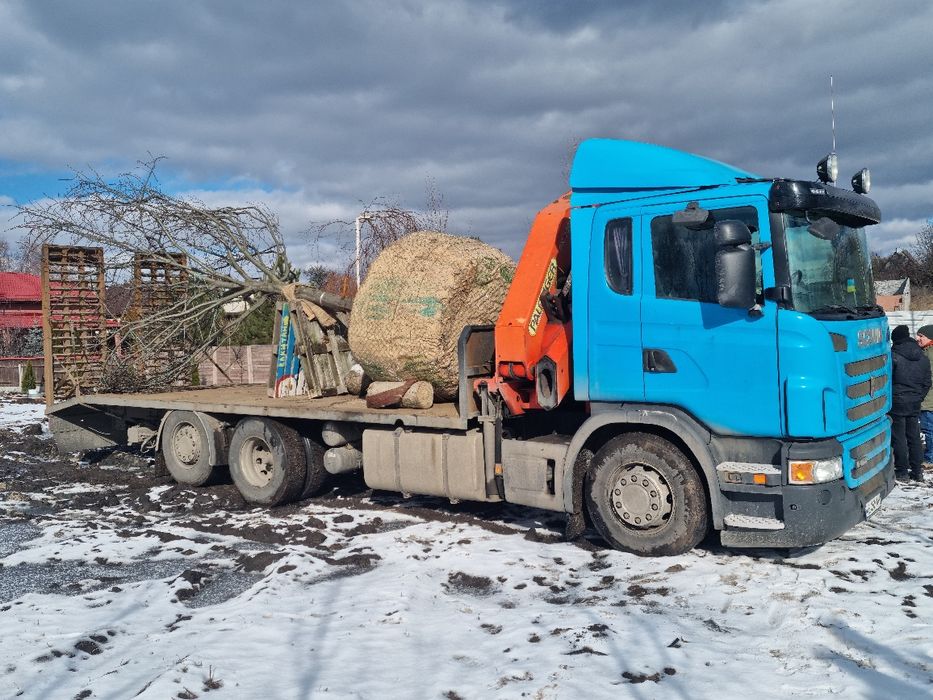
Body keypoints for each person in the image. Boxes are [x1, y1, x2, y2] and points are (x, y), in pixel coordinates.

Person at [889, 325, 932, 482]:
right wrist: (918, 397)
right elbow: (927, 382)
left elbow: (888, 381)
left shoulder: (893, 356)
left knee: (899, 437)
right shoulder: (923, 357)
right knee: (914, 437)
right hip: (914, 402)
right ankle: (917, 471)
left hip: (897, 401)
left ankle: (902, 471)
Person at [916, 324, 933, 470]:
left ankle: (930, 459)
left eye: (921, 336)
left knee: (929, 430)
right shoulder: (926, 351)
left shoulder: (929, 355)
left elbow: (927, 379)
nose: (918, 338)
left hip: (929, 400)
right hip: (928, 399)